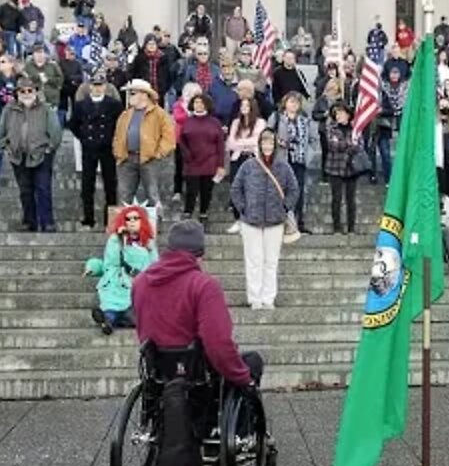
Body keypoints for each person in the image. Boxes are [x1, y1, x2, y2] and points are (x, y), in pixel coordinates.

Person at [132, 221, 265, 388]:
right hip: (197, 374)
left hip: (158, 370)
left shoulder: (140, 282)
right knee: (252, 361)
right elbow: (218, 342)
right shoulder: (204, 285)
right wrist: (244, 378)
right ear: (200, 254)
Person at [231, 128, 298, 309]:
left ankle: (268, 298)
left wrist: (284, 207)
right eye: (264, 142)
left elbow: (293, 189)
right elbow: (236, 189)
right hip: (250, 220)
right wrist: (243, 208)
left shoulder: (283, 167)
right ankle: (254, 297)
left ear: (275, 144)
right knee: (253, 261)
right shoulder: (248, 166)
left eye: (270, 142)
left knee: (271, 261)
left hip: (275, 221)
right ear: (259, 144)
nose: (267, 146)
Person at [0, 77, 60, 232]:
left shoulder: (46, 108)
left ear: (36, 92)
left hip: (41, 154)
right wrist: (5, 145)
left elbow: (55, 132)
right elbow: (2, 129)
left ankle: (47, 222)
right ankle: (29, 221)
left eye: (30, 90)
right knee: (25, 191)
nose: (26, 94)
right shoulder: (9, 109)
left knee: (43, 188)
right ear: (17, 93)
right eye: (22, 91)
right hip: (17, 156)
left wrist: (49, 148)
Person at [84, 205, 158, 335]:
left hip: (136, 286)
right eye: (128, 219)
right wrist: (93, 266)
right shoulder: (115, 240)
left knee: (131, 312)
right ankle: (107, 321)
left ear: (143, 221)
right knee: (110, 308)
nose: (132, 221)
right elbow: (110, 263)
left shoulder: (148, 244)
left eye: (136, 218)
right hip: (115, 284)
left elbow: (155, 267)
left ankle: (122, 319)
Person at [68, 72, 123, 228]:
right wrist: (84, 137)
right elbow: (73, 124)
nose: (97, 88)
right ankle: (88, 217)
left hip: (107, 148)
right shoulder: (80, 105)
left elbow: (120, 124)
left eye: (100, 85)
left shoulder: (114, 104)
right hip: (89, 148)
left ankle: (110, 219)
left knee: (110, 184)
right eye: (94, 85)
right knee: (87, 185)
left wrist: (112, 138)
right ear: (89, 86)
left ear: (105, 86)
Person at [115, 79, 175, 209]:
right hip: (127, 159)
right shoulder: (125, 114)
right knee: (123, 196)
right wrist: (118, 153)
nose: (130, 96)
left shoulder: (160, 114)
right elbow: (117, 136)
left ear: (143, 94)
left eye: (133, 93)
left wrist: (158, 154)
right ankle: (122, 227)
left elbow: (169, 138)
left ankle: (156, 226)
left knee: (153, 195)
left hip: (150, 160)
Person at [268, 91, 315, 233]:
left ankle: (298, 222)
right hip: (282, 160)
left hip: (299, 160)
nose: (293, 104)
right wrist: (278, 142)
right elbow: (267, 135)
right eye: (291, 101)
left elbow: (313, 138)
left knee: (298, 192)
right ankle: (280, 222)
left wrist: (309, 153)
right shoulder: (277, 117)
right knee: (281, 191)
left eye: (296, 102)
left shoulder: (305, 120)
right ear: (285, 103)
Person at [179, 93, 227, 222]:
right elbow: (181, 141)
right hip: (192, 162)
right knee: (191, 190)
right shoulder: (187, 121)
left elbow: (220, 145)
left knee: (206, 191)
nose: (198, 105)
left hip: (210, 162)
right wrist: (187, 155)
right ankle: (188, 212)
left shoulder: (215, 122)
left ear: (206, 105)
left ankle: (203, 213)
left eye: (201, 102)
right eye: (196, 102)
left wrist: (221, 165)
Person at [226, 94, 267, 232]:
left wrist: (240, 143)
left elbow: (256, 140)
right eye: (242, 106)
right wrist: (241, 144)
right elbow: (230, 143)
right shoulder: (236, 123)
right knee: (236, 189)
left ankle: (251, 219)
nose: (244, 108)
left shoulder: (260, 123)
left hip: (252, 158)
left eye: (247, 106)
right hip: (237, 159)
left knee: (251, 189)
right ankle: (238, 219)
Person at [324, 101, 362, 234]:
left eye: (341, 113)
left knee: (351, 199)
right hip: (335, 167)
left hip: (351, 168)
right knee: (336, 198)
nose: (338, 115)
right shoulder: (331, 127)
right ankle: (337, 228)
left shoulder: (355, 128)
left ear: (348, 114)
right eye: (336, 113)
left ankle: (351, 227)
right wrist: (348, 144)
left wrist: (344, 144)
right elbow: (333, 146)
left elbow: (358, 146)